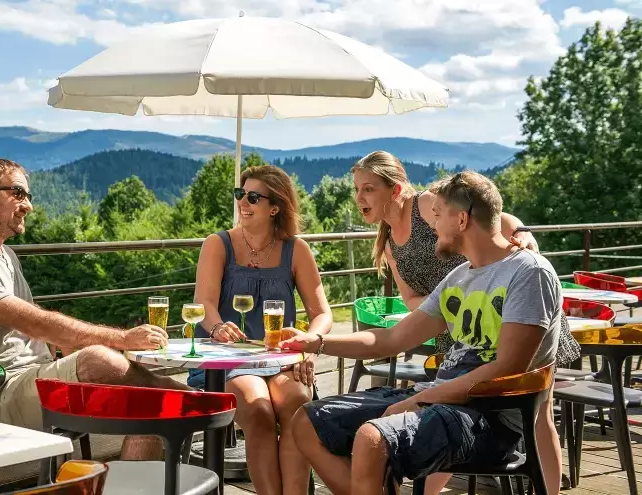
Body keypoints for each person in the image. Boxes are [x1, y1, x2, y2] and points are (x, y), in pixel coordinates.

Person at [281, 171, 563, 495]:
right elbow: (392, 338)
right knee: (307, 422)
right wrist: (317, 342)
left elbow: (506, 367)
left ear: (461, 220)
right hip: (439, 398)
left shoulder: (529, 272)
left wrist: (419, 398)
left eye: (438, 215)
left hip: (489, 417)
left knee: (373, 439)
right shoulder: (459, 277)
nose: (432, 224)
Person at [0, 157, 189, 460]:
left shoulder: (5, 256)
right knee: (98, 359)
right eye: (17, 193)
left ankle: (168, 412)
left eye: (28, 196)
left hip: (31, 381)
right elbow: (36, 323)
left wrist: (63, 349)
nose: (28, 205)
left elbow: (35, 326)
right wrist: (123, 339)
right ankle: (185, 395)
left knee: (152, 407)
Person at [350, 151, 579, 493]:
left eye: (367, 189)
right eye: (357, 190)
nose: (358, 199)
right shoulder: (387, 244)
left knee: (538, 408)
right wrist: (437, 309)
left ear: (394, 188)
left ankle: (545, 486)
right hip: (458, 320)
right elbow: (411, 297)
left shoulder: (427, 204)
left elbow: (488, 214)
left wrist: (523, 233)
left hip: (507, 304)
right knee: (456, 403)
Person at [190, 165, 333, 495]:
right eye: (241, 194)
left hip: (280, 357)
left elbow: (322, 313)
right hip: (227, 358)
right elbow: (204, 306)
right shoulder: (218, 244)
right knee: (257, 408)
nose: (243, 202)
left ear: (275, 207)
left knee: (298, 405)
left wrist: (308, 344)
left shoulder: (296, 250)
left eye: (253, 197)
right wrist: (217, 327)